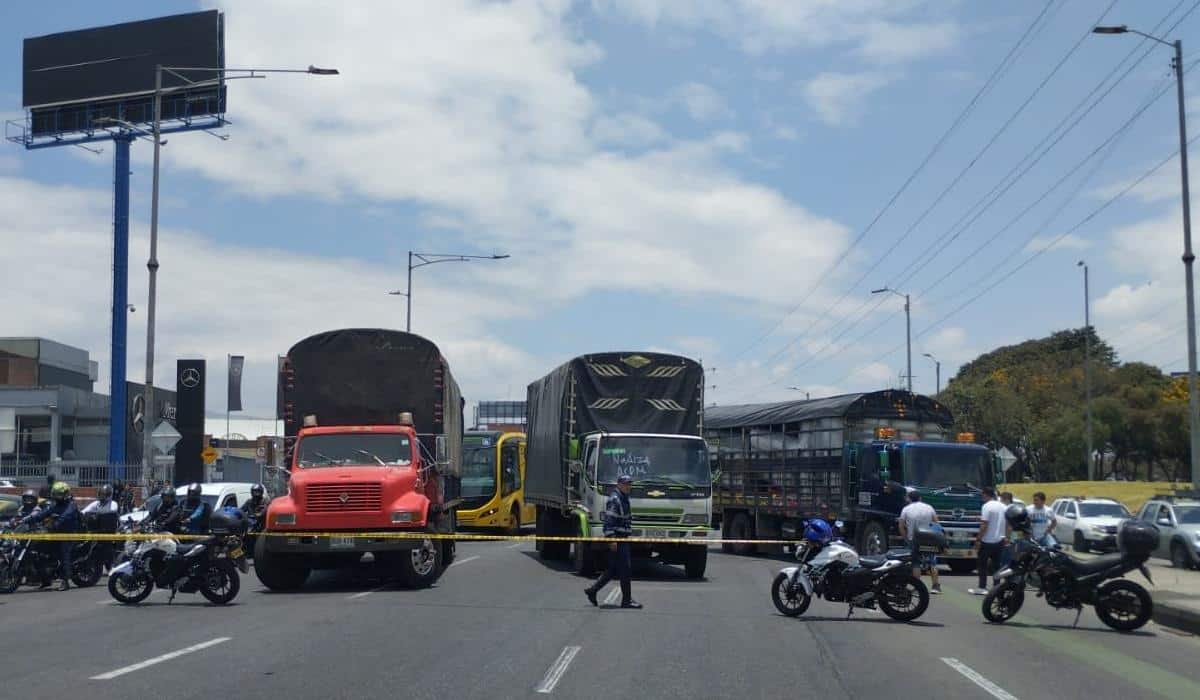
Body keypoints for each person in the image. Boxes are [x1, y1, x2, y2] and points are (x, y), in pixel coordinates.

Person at [584, 474, 641, 609]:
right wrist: (612, 539)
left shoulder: (623, 498)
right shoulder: (615, 499)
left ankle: (593, 591)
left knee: (613, 570)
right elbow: (609, 521)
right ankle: (626, 601)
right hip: (618, 538)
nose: (628, 486)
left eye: (629, 484)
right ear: (619, 485)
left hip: (621, 538)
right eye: (626, 484)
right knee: (625, 570)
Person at [20, 481, 80, 590]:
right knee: (38, 550)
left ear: (65, 494)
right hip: (54, 532)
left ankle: (65, 581)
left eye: (59, 494)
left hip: (68, 535)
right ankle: (46, 579)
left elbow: (64, 518)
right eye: (55, 494)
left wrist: (54, 525)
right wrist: (26, 520)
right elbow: (42, 513)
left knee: (63, 554)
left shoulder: (71, 505)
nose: (56, 496)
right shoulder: (55, 504)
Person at [898, 490, 941, 594]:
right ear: (920, 498)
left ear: (909, 499)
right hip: (929, 539)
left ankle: (917, 586)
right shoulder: (929, 507)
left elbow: (900, 526)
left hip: (914, 540)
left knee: (915, 563)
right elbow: (936, 523)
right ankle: (935, 586)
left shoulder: (906, 509)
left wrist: (906, 538)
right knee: (932, 562)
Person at [970, 486, 1008, 595]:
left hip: (987, 540)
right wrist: (1006, 537)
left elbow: (984, 525)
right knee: (997, 566)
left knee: (982, 565)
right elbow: (1008, 524)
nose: (982, 497)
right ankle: (997, 587)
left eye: (982, 495)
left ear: (986, 495)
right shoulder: (1003, 506)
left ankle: (982, 587)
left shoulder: (986, 506)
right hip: (1000, 540)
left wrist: (978, 539)